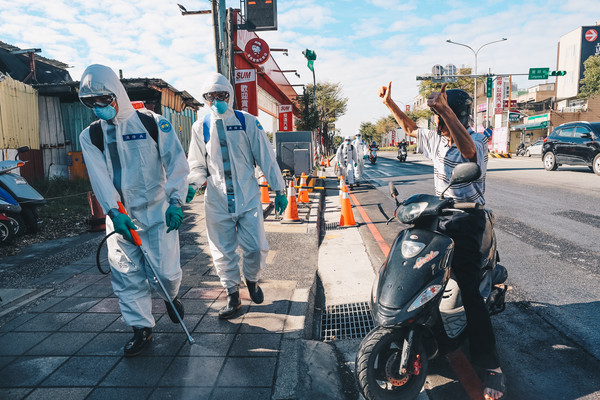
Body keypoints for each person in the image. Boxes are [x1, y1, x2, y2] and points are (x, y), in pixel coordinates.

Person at [379, 81, 505, 400]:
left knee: (469, 289)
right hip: (440, 213)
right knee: (418, 269)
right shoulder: (435, 140)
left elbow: (468, 155)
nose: (436, 121)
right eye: (436, 116)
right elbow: (409, 128)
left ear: (454, 114)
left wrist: (446, 110)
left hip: (467, 218)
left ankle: (491, 366)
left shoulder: (475, 140)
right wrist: (390, 103)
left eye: (441, 115)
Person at [79, 64, 189, 357]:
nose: (98, 106)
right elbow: (99, 177)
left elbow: (177, 163)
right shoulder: (90, 136)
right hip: (120, 220)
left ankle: (171, 297)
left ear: (117, 93)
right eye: (91, 102)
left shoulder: (152, 123)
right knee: (126, 276)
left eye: (103, 99)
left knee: (165, 274)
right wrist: (115, 212)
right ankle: (141, 328)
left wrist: (176, 202)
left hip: (157, 214)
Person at [186, 72, 287, 319]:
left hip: (248, 197)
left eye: (221, 95)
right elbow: (197, 164)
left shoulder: (248, 122)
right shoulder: (201, 127)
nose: (216, 100)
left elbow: (266, 157)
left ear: (230, 96)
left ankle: (251, 280)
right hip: (217, 200)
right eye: (211, 96)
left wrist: (279, 189)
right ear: (205, 99)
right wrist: (192, 185)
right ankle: (233, 296)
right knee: (222, 251)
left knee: (256, 248)